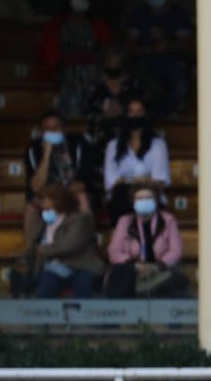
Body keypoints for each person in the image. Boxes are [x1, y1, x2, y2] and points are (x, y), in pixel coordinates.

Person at [24, 110, 101, 247]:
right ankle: (31, 252)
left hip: (71, 192)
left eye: (57, 127)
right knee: (31, 205)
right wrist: (46, 154)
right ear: (41, 132)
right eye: (48, 129)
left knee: (82, 197)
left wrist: (60, 195)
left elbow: (85, 181)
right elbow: (35, 187)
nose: (53, 131)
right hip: (46, 195)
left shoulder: (78, 144)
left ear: (64, 129)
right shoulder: (33, 149)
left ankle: (89, 245)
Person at [36, 0, 112, 118]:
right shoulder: (57, 24)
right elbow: (51, 53)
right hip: (67, 70)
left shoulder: (97, 24)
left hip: (93, 70)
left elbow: (106, 49)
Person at [124, 0, 193, 117]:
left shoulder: (178, 14)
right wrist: (148, 49)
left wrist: (167, 46)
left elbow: (186, 44)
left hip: (173, 64)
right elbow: (129, 46)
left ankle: (161, 118)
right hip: (145, 65)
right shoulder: (139, 14)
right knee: (145, 88)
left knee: (180, 86)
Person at [104, 184, 187, 298]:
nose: (144, 201)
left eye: (148, 198)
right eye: (139, 199)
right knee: (120, 274)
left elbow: (176, 250)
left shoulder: (168, 220)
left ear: (156, 201)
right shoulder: (125, 221)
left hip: (161, 270)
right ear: (133, 202)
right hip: (133, 271)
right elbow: (114, 251)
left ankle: (149, 289)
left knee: (173, 280)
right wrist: (135, 265)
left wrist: (157, 266)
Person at [25, 184, 105, 299]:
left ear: (58, 201)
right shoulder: (43, 222)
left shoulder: (80, 220)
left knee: (83, 283)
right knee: (45, 285)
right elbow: (33, 245)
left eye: (45, 201)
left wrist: (42, 249)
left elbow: (68, 246)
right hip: (53, 269)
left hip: (81, 266)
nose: (41, 205)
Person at [103, 97, 171, 223]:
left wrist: (129, 180)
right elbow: (111, 181)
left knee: (146, 196)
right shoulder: (113, 146)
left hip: (151, 196)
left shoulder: (158, 145)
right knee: (120, 194)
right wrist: (143, 179)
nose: (135, 116)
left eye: (139, 112)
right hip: (122, 198)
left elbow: (159, 181)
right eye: (131, 112)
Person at [86, 46, 140, 143]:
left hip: (126, 132)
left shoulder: (131, 84)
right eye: (110, 61)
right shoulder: (95, 84)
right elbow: (87, 108)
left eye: (117, 62)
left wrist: (124, 109)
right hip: (101, 133)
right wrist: (104, 110)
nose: (113, 65)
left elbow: (139, 106)